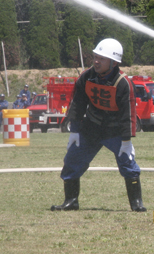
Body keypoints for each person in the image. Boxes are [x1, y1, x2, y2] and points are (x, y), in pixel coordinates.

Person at [51, 38, 146, 212]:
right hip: (91, 129)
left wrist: (126, 142)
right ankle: (71, 201)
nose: (96, 61)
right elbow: (77, 104)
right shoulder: (86, 76)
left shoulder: (124, 83)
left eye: (101, 58)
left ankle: (136, 204)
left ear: (114, 61)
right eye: (95, 56)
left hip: (115, 132)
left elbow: (129, 115)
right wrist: (75, 131)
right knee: (72, 160)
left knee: (128, 164)